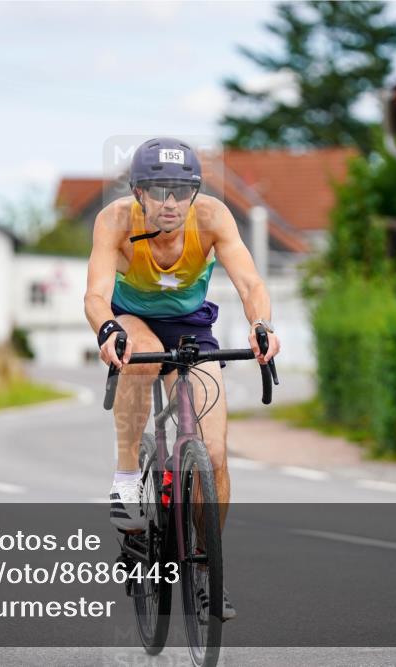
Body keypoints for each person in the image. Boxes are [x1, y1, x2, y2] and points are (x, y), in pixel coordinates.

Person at [84, 137, 280, 622]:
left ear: (193, 193)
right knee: (145, 357)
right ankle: (129, 476)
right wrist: (107, 328)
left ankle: (207, 568)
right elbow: (94, 294)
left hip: (194, 327)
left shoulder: (212, 218)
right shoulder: (113, 222)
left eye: (180, 190)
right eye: (157, 190)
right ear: (138, 191)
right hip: (131, 320)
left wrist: (262, 326)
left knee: (213, 455)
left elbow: (251, 283)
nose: (168, 202)